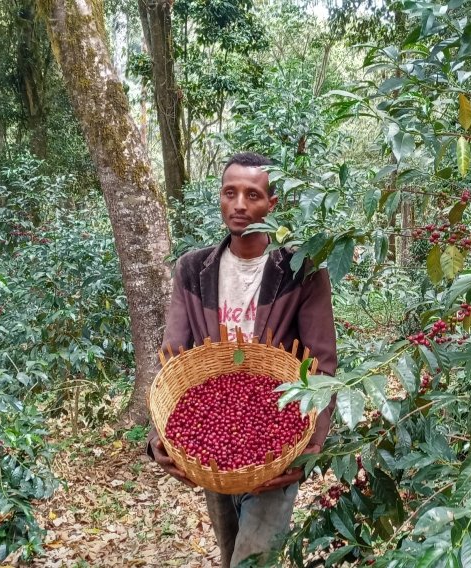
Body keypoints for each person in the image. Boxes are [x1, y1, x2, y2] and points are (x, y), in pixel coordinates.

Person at [147, 152, 337, 567]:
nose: (238, 204)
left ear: (272, 204)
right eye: (229, 192)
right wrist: (158, 436)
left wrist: (313, 448)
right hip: (213, 445)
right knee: (230, 550)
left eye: (252, 195)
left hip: (280, 444)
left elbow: (321, 365)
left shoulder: (301, 270)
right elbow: (173, 360)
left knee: (254, 558)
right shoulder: (193, 269)